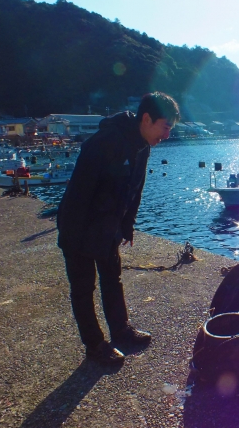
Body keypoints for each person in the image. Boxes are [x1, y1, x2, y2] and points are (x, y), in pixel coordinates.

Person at [57, 92, 180, 364]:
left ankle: (121, 330)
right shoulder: (104, 143)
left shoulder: (143, 146)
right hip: (79, 225)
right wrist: (72, 238)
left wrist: (127, 226)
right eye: (165, 127)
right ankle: (95, 345)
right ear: (147, 119)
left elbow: (134, 190)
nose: (167, 135)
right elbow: (79, 193)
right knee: (83, 288)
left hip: (108, 226)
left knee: (113, 279)